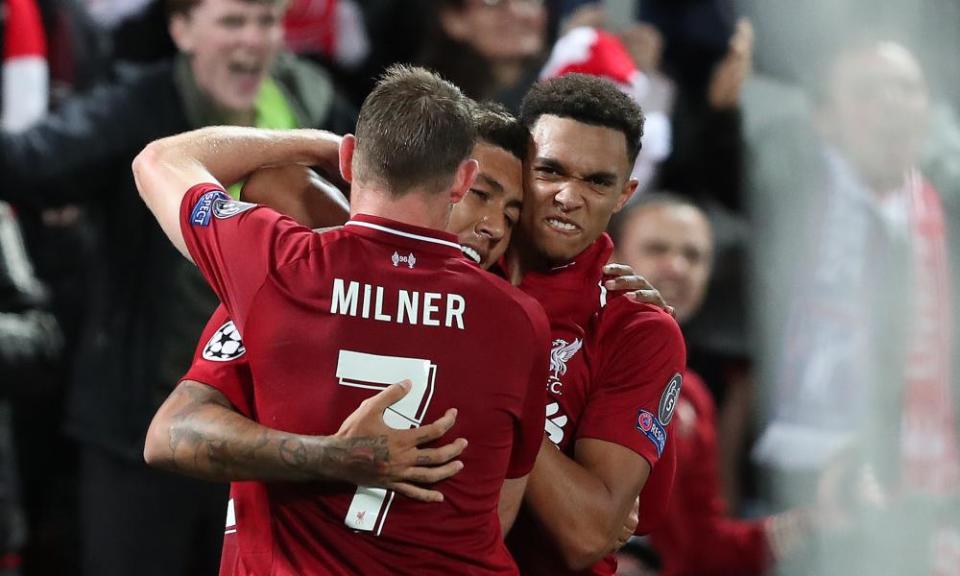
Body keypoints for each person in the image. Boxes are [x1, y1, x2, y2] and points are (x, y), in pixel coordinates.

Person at [134, 65, 553, 575]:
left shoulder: (278, 270)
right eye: (484, 195)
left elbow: (163, 158)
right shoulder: (521, 321)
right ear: (461, 180)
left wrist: (315, 145)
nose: (491, 226)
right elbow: (498, 510)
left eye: (511, 214)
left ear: (352, 160)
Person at [0, 0, 355, 571]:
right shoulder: (139, 106)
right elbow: (28, 163)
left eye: (266, 22)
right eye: (232, 22)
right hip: (138, 432)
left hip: (264, 437)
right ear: (181, 29)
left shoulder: (312, 98)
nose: (253, 41)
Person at [499, 73, 685, 575]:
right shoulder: (446, 271)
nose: (568, 196)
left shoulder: (637, 329)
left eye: (596, 181)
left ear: (624, 193)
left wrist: (488, 381)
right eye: (550, 170)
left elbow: (587, 534)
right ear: (517, 167)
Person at [609, 193, 812, 575]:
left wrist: (809, 525)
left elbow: (704, 543)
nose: (677, 267)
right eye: (657, 249)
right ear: (610, 255)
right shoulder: (567, 357)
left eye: (694, 256)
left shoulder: (692, 396)